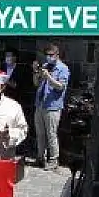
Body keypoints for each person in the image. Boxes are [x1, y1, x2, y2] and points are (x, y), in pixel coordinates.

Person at [31, 43, 69, 171]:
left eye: (51, 55)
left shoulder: (63, 69)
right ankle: (40, 157)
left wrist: (48, 77)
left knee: (51, 133)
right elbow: (36, 83)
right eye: (46, 55)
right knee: (40, 133)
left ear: (57, 55)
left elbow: (61, 86)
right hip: (40, 104)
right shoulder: (46, 66)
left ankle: (54, 160)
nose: (48, 57)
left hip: (53, 106)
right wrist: (36, 72)